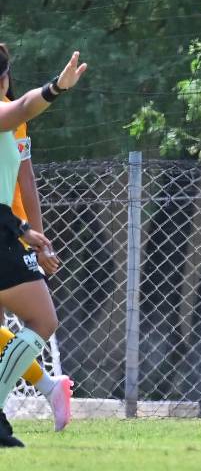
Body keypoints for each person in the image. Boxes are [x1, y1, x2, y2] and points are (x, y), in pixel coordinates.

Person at [0, 50, 87, 447]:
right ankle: (45, 388)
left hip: (10, 228)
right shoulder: (8, 113)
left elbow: (27, 180)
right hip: (5, 230)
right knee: (43, 320)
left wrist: (32, 233)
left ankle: (42, 392)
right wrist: (56, 87)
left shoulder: (14, 122)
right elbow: (22, 107)